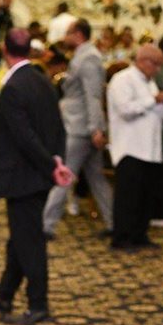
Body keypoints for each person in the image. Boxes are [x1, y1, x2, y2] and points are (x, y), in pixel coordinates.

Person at [0, 28, 71, 325]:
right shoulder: (42, 80)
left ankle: (38, 303)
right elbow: (58, 128)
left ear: (3, 50)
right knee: (21, 238)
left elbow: (25, 138)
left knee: (29, 242)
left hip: (22, 177)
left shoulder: (12, 87)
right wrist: (56, 161)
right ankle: (5, 293)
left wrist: (50, 164)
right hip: (39, 175)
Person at [42, 19, 113, 240]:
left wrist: (95, 129)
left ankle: (46, 225)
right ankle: (114, 222)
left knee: (64, 175)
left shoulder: (89, 58)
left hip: (82, 128)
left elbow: (93, 96)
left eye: (68, 33)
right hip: (83, 126)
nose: (64, 37)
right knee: (96, 178)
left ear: (78, 34)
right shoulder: (83, 56)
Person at [107, 44, 163, 250]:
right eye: (156, 64)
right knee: (128, 197)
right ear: (142, 60)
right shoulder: (122, 79)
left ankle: (139, 234)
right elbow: (125, 110)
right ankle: (121, 237)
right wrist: (153, 99)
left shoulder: (150, 83)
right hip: (130, 147)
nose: (158, 69)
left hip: (150, 148)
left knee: (145, 196)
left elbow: (153, 113)